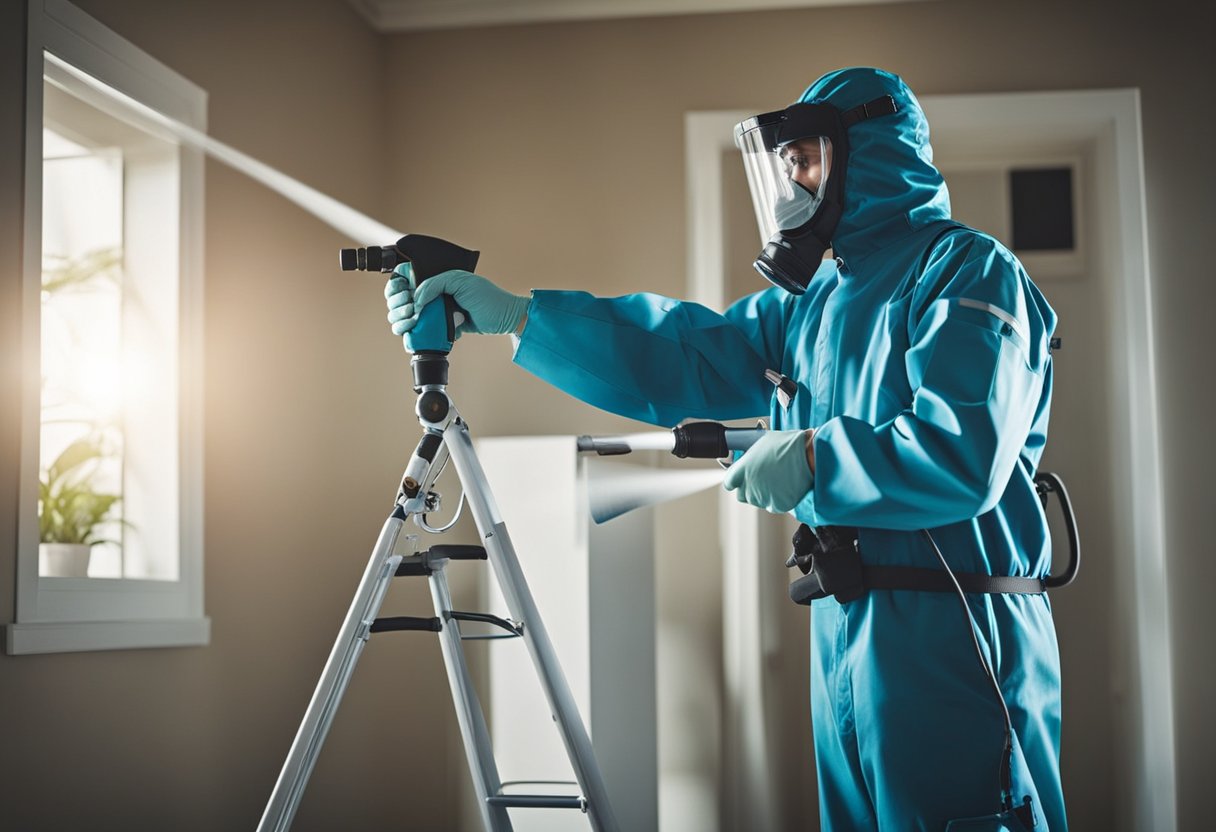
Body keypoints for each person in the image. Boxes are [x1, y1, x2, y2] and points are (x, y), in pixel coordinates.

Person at [385, 67, 1066, 832]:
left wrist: (817, 461)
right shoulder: (811, 305)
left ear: (865, 153)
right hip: (846, 629)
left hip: (956, 637)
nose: (793, 183)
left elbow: (960, 451)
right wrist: (517, 316)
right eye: (788, 165)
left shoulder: (968, 271)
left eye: (806, 159)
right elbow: (684, 353)